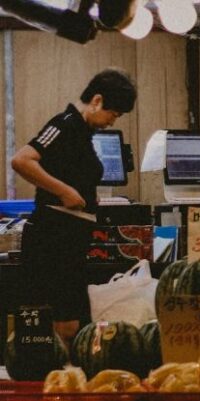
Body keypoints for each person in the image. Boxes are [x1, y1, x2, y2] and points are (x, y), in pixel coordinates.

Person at [11, 68, 136, 347]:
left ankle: (65, 378)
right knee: (61, 324)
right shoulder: (64, 124)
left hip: (70, 240)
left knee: (71, 321)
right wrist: (64, 191)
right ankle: (53, 382)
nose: (111, 121)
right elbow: (22, 160)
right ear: (97, 100)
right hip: (53, 237)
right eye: (113, 114)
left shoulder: (83, 133)